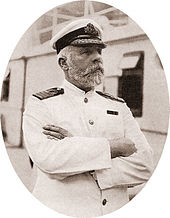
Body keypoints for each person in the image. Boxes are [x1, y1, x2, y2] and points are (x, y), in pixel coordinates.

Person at [23, 19, 153, 217]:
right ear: (63, 62)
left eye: (99, 52)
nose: (97, 59)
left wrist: (77, 150)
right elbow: (49, 160)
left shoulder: (117, 106)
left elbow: (144, 165)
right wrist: (113, 148)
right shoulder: (41, 104)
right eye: (86, 52)